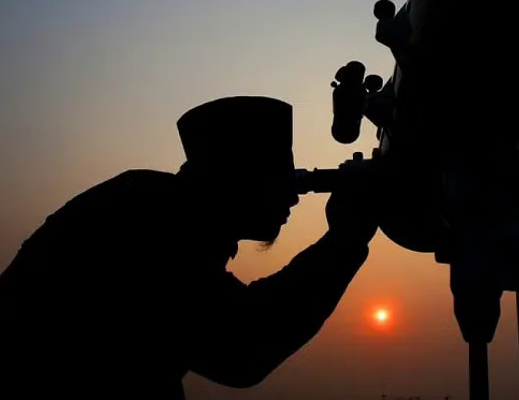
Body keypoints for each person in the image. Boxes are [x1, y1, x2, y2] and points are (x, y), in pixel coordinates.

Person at [0, 95, 380, 399]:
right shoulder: (148, 219)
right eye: (279, 180)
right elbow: (241, 347)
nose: (293, 198)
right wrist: (344, 240)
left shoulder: (156, 207)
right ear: (238, 178)